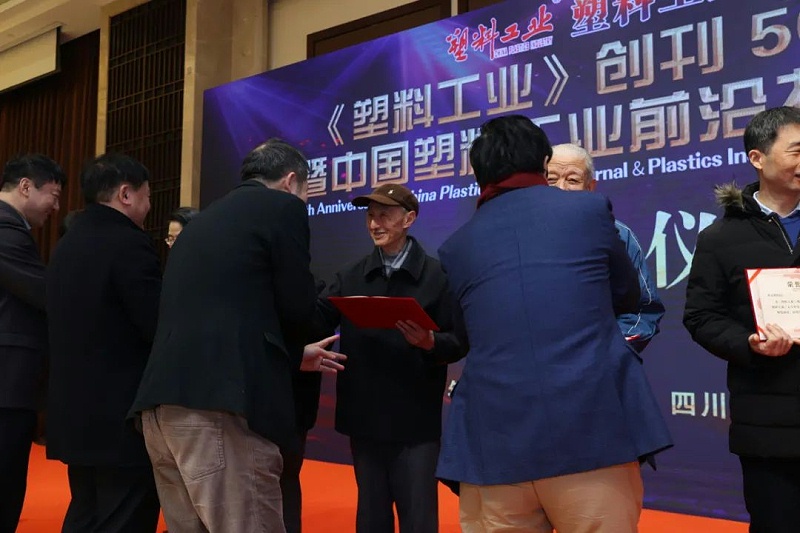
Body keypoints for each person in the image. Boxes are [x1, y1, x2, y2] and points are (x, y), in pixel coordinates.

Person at [436, 115, 672, 533]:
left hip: (493, 446)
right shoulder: (589, 212)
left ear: (477, 172)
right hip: (592, 431)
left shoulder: (457, 246)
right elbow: (626, 295)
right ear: (543, 163)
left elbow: (464, 334)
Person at [129, 139, 345, 532]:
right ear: (290, 181)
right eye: (307, 193)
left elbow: (225, 313)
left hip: (161, 410)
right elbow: (297, 310)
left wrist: (293, 355)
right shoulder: (282, 207)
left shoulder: (201, 223)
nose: (305, 202)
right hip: (220, 413)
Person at [314, 183, 466, 533]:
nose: (374, 224)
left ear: (409, 219)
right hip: (364, 419)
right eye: (370, 216)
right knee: (371, 518)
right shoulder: (350, 276)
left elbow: (459, 342)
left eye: (384, 215)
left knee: (418, 518)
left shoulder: (438, 277)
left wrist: (430, 342)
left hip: (415, 422)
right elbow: (316, 320)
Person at [684, 106, 800, 532]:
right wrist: (749, 342)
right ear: (758, 158)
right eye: (797, 151)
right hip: (769, 422)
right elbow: (701, 316)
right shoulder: (720, 238)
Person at [46, 153, 161, 533]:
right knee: (124, 516)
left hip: (73, 412)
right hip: (118, 419)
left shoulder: (67, 243)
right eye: (147, 196)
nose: (149, 205)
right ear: (126, 194)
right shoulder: (128, 243)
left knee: (85, 512)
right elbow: (154, 324)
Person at [547, 143, 665, 353]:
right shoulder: (519, 235)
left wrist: (605, 350)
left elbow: (643, 311)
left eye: (572, 180)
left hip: (597, 361)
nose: (561, 188)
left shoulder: (618, 235)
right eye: (551, 179)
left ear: (590, 187)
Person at [0, 154, 64, 533]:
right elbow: (45, 295)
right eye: (53, 195)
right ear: (26, 186)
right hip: (7, 383)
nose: (55, 207)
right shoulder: (6, 230)